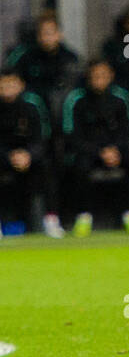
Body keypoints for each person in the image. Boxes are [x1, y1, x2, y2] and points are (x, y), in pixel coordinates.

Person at [61, 59, 129, 236]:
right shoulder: (76, 99)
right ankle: (84, 217)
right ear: (88, 77)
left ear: (111, 76)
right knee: (79, 166)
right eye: (95, 76)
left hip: (117, 150)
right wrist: (99, 152)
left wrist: (116, 150)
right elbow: (72, 135)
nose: (99, 80)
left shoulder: (122, 98)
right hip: (87, 151)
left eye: (103, 76)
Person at [0, 66, 56, 235]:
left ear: (21, 85)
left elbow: (43, 137)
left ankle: (51, 220)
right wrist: (9, 157)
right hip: (3, 157)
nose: (7, 90)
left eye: (11, 85)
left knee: (48, 169)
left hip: (30, 157)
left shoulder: (33, 104)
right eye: (3, 86)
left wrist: (28, 155)